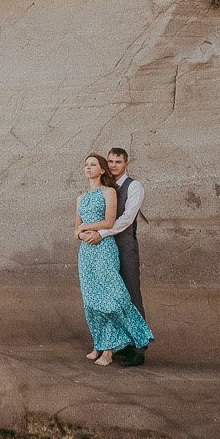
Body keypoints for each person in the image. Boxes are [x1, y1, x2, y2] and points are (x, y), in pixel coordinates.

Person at [74, 153, 153, 366]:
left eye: (118, 162)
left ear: (126, 163)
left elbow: (125, 219)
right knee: (99, 296)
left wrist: (98, 233)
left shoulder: (132, 187)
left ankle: (138, 347)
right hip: (95, 246)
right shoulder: (94, 192)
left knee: (127, 294)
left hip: (122, 246)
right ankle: (114, 343)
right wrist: (82, 233)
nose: (114, 165)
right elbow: (78, 225)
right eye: (110, 161)